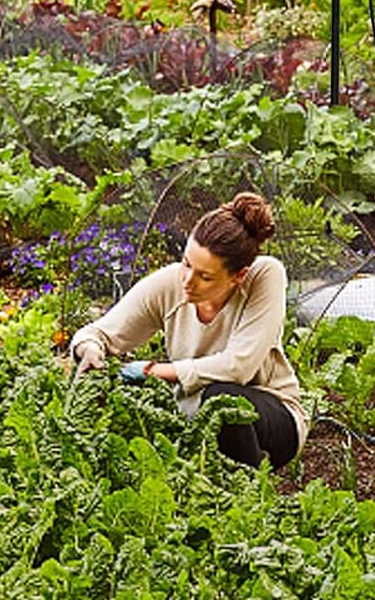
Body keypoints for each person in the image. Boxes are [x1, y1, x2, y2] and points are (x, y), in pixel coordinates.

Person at [69, 192, 306, 469]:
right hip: (191, 418)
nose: (188, 281)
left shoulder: (263, 276)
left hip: (272, 417)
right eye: (187, 264)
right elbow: (98, 333)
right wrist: (89, 349)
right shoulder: (171, 284)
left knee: (222, 401)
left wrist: (152, 371)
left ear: (238, 276)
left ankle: (247, 488)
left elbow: (238, 367)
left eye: (205, 276)